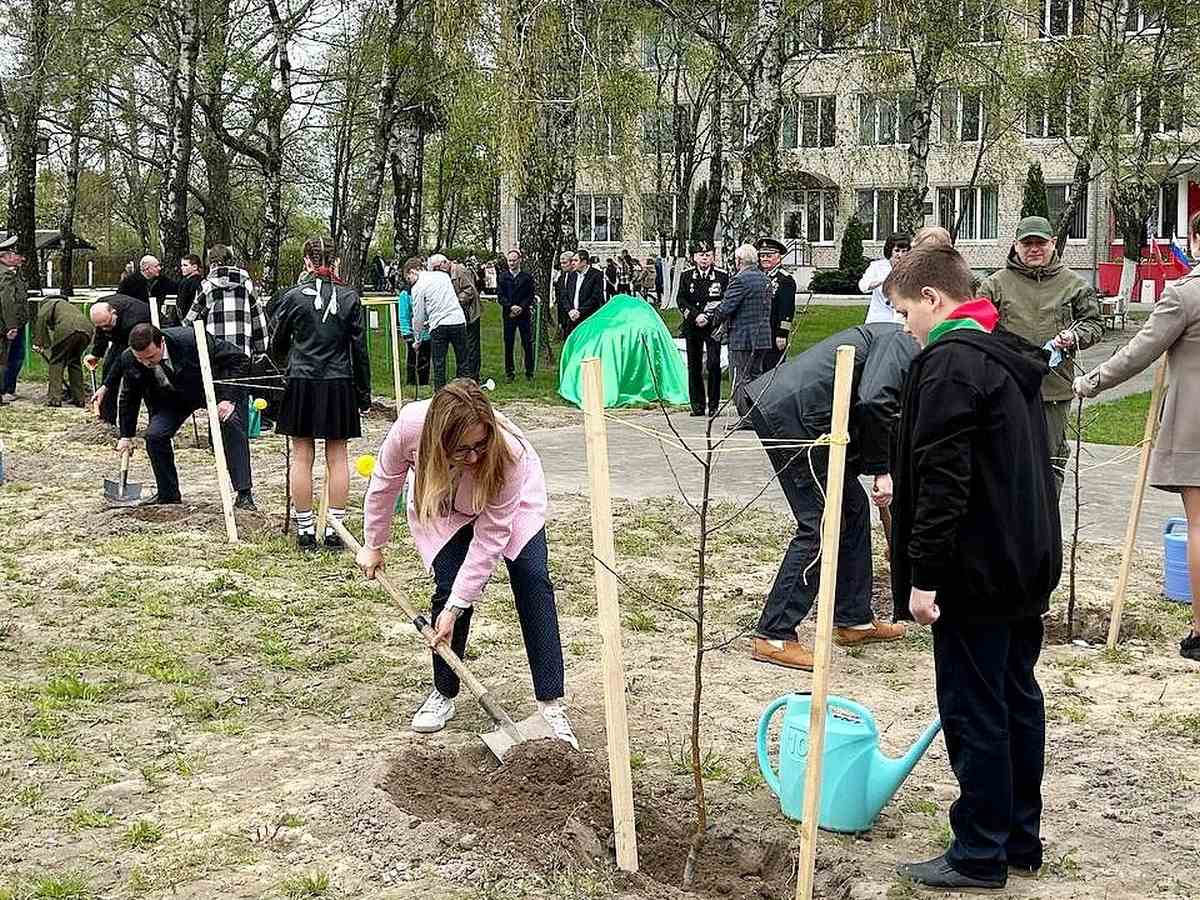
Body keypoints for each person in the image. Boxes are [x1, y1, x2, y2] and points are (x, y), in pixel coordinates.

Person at [885, 245, 1060, 892]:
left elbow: (945, 482)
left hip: (975, 572)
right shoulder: (1002, 352)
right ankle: (1019, 839)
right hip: (1022, 562)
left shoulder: (952, 366)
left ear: (933, 299)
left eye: (905, 311)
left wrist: (925, 577)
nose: (905, 326)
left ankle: (979, 852)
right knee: (1016, 699)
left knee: (975, 708)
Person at [356, 379, 578, 747]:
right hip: (444, 503)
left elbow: (491, 537)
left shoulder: (508, 453)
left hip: (507, 503)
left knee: (533, 577)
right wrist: (373, 544)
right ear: (439, 439)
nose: (474, 456)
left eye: (480, 445)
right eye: (463, 449)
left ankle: (550, 704)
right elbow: (384, 484)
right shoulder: (410, 427)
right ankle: (443, 693)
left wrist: (461, 604)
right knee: (447, 588)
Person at [745, 322, 915, 670]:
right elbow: (874, 400)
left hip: (808, 417)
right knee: (822, 521)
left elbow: (883, 410)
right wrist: (880, 470)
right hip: (794, 417)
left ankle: (853, 619)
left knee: (851, 510)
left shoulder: (905, 340)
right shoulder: (906, 340)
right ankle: (774, 635)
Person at [1074, 209, 1200, 663]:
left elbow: (1138, 352)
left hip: (1194, 424)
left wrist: (1093, 381)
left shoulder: (1185, 295)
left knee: (1199, 525)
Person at [979, 215, 1102, 493]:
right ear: (1015, 246)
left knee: (1050, 462)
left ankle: (1046, 527)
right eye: (1027, 243)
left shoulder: (1075, 285)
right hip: (1005, 390)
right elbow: (976, 328)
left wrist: (1074, 337)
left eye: (1041, 243)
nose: (1034, 249)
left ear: (1053, 243)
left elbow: (1094, 324)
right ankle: (1007, 529)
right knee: (1003, 459)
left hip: (1053, 391)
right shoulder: (995, 285)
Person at [271, 236, 372, 550]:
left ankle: (304, 531)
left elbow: (277, 342)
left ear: (307, 262)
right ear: (336, 261)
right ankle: (333, 531)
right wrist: (363, 393)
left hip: (302, 380)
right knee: (337, 457)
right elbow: (360, 350)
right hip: (338, 381)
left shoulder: (292, 297)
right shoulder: (350, 298)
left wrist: (286, 363)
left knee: (302, 457)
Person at [117, 324, 257, 509]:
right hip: (171, 399)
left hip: (211, 391)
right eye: (140, 359)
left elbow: (240, 360)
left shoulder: (192, 339)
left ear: (162, 343)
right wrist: (126, 435)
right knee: (155, 436)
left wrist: (228, 399)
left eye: (151, 357)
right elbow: (129, 394)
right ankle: (168, 495)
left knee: (231, 424)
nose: (146, 363)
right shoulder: (130, 358)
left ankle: (244, 494)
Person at [699, 243, 771, 394]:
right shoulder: (764, 278)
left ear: (739, 260)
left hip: (743, 339)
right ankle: (755, 415)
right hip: (762, 337)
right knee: (756, 379)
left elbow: (726, 308)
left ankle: (745, 416)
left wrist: (711, 318)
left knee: (740, 380)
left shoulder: (740, 280)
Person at [676, 242, 730, 417]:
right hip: (693, 326)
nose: (704, 258)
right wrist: (695, 315)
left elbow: (725, 300)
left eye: (708, 254)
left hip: (713, 326)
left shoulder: (722, 276)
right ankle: (697, 405)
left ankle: (713, 405)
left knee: (714, 364)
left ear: (713, 256)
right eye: (701, 255)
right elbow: (681, 299)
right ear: (694, 257)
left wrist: (709, 317)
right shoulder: (686, 276)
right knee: (694, 365)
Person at [86, 294, 152, 426]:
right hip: (121, 337)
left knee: (137, 379)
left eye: (107, 325)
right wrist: (96, 354)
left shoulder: (134, 319)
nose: (105, 329)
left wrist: (106, 385)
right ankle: (106, 420)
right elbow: (100, 332)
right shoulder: (101, 308)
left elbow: (123, 358)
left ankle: (154, 423)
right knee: (108, 367)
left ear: (114, 313)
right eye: (102, 326)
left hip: (144, 339)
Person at [407, 255, 466, 390]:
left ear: (413, 271)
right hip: (458, 320)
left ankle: (440, 396)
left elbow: (418, 316)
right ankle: (465, 393)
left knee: (439, 364)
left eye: (408, 278)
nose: (410, 282)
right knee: (463, 361)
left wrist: (417, 339)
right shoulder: (443, 276)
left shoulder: (418, 287)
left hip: (439, 325)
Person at [32, 297, 93, 407]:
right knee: (74, 362)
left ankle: (54, 399)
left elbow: (41, 318)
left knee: (56, 362)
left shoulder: (48, 303)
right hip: (87, 329)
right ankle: (79, 398)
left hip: (68, 328)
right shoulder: (66, 306)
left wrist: (39, 342)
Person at [435, 254, 481, 382]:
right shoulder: (446, 274)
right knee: (465, 346)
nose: (438, 271)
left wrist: (454, 300)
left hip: (470, 312)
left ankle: (473, 376)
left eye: (438, 267)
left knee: (472, 346)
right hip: (459, 313)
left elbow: (470, 290)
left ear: (445, 262)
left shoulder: (460, 270)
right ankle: (465, 376)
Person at [757, 238, 796, 370]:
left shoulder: (785, 280)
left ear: (778, 257)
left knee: (773, 368)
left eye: (769, 255)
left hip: (774, 331)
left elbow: (787, 310)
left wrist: (782, 334)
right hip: (758, 331)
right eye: (762, 256)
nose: (765, 259)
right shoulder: (757, 276)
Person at [497, 248, 535, 383]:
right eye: (509, 261)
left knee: (527, 343)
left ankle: (529, 372)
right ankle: (509, 372)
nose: (512, 263)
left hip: (523, 314)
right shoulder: (502, 276)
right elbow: (500, 296)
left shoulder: (527, 277)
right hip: (508, 314)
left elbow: (530, 295)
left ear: (519, 260)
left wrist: (521, 307)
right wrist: (510, 306)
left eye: (514, 260)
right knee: (509, 343)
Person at [0, 236, 29, 405]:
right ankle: (5, 390)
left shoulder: (13, 272)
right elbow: (7, 301)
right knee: (8, 357)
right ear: (5, 256)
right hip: (8, 325)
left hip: (15, 323)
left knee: (13, 356)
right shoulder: (5, 275)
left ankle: (8, 388)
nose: (21, 258)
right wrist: (11, 326)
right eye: (16, 254)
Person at [859, 232, 911, 324]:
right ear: (890, 250)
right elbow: (863, 287)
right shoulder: (877, 266)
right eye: (897, 250)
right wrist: (883, 281)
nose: (900, 255)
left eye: (904, 251)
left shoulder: (911, 269)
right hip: (878, 319)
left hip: (901, 321)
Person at [396, 273, 431, 391]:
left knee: (425, 358)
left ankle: (423, 382)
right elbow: (403, 315)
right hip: (412, 332)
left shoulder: (426, 291)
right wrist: (407, 335)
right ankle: (411, 381)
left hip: (426, 333)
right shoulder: (405, 295)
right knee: (412, 357)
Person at [560, 249, 604, 339]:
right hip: (572, 317)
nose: (572, 263)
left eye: (576, 260)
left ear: (584, 262)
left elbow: (595, 297)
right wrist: (570, 310)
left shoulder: (596, 275)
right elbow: (565, 295)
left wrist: (579, 311)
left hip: (588, 318)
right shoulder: (572, 275)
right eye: (572, 261)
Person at [175, 253, 204, 323]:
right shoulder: (204, 281)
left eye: (185, 265)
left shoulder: (186, 282)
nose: (182, 268)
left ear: (194, 267)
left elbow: (180, 305)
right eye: (181, 265)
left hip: (187, 319)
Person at [552, 251, 574, 337]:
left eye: (565, 263)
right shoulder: (562, 277)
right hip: (563, 313)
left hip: (574, 314)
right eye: (561, 263)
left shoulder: (577, 277)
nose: (562, 265)